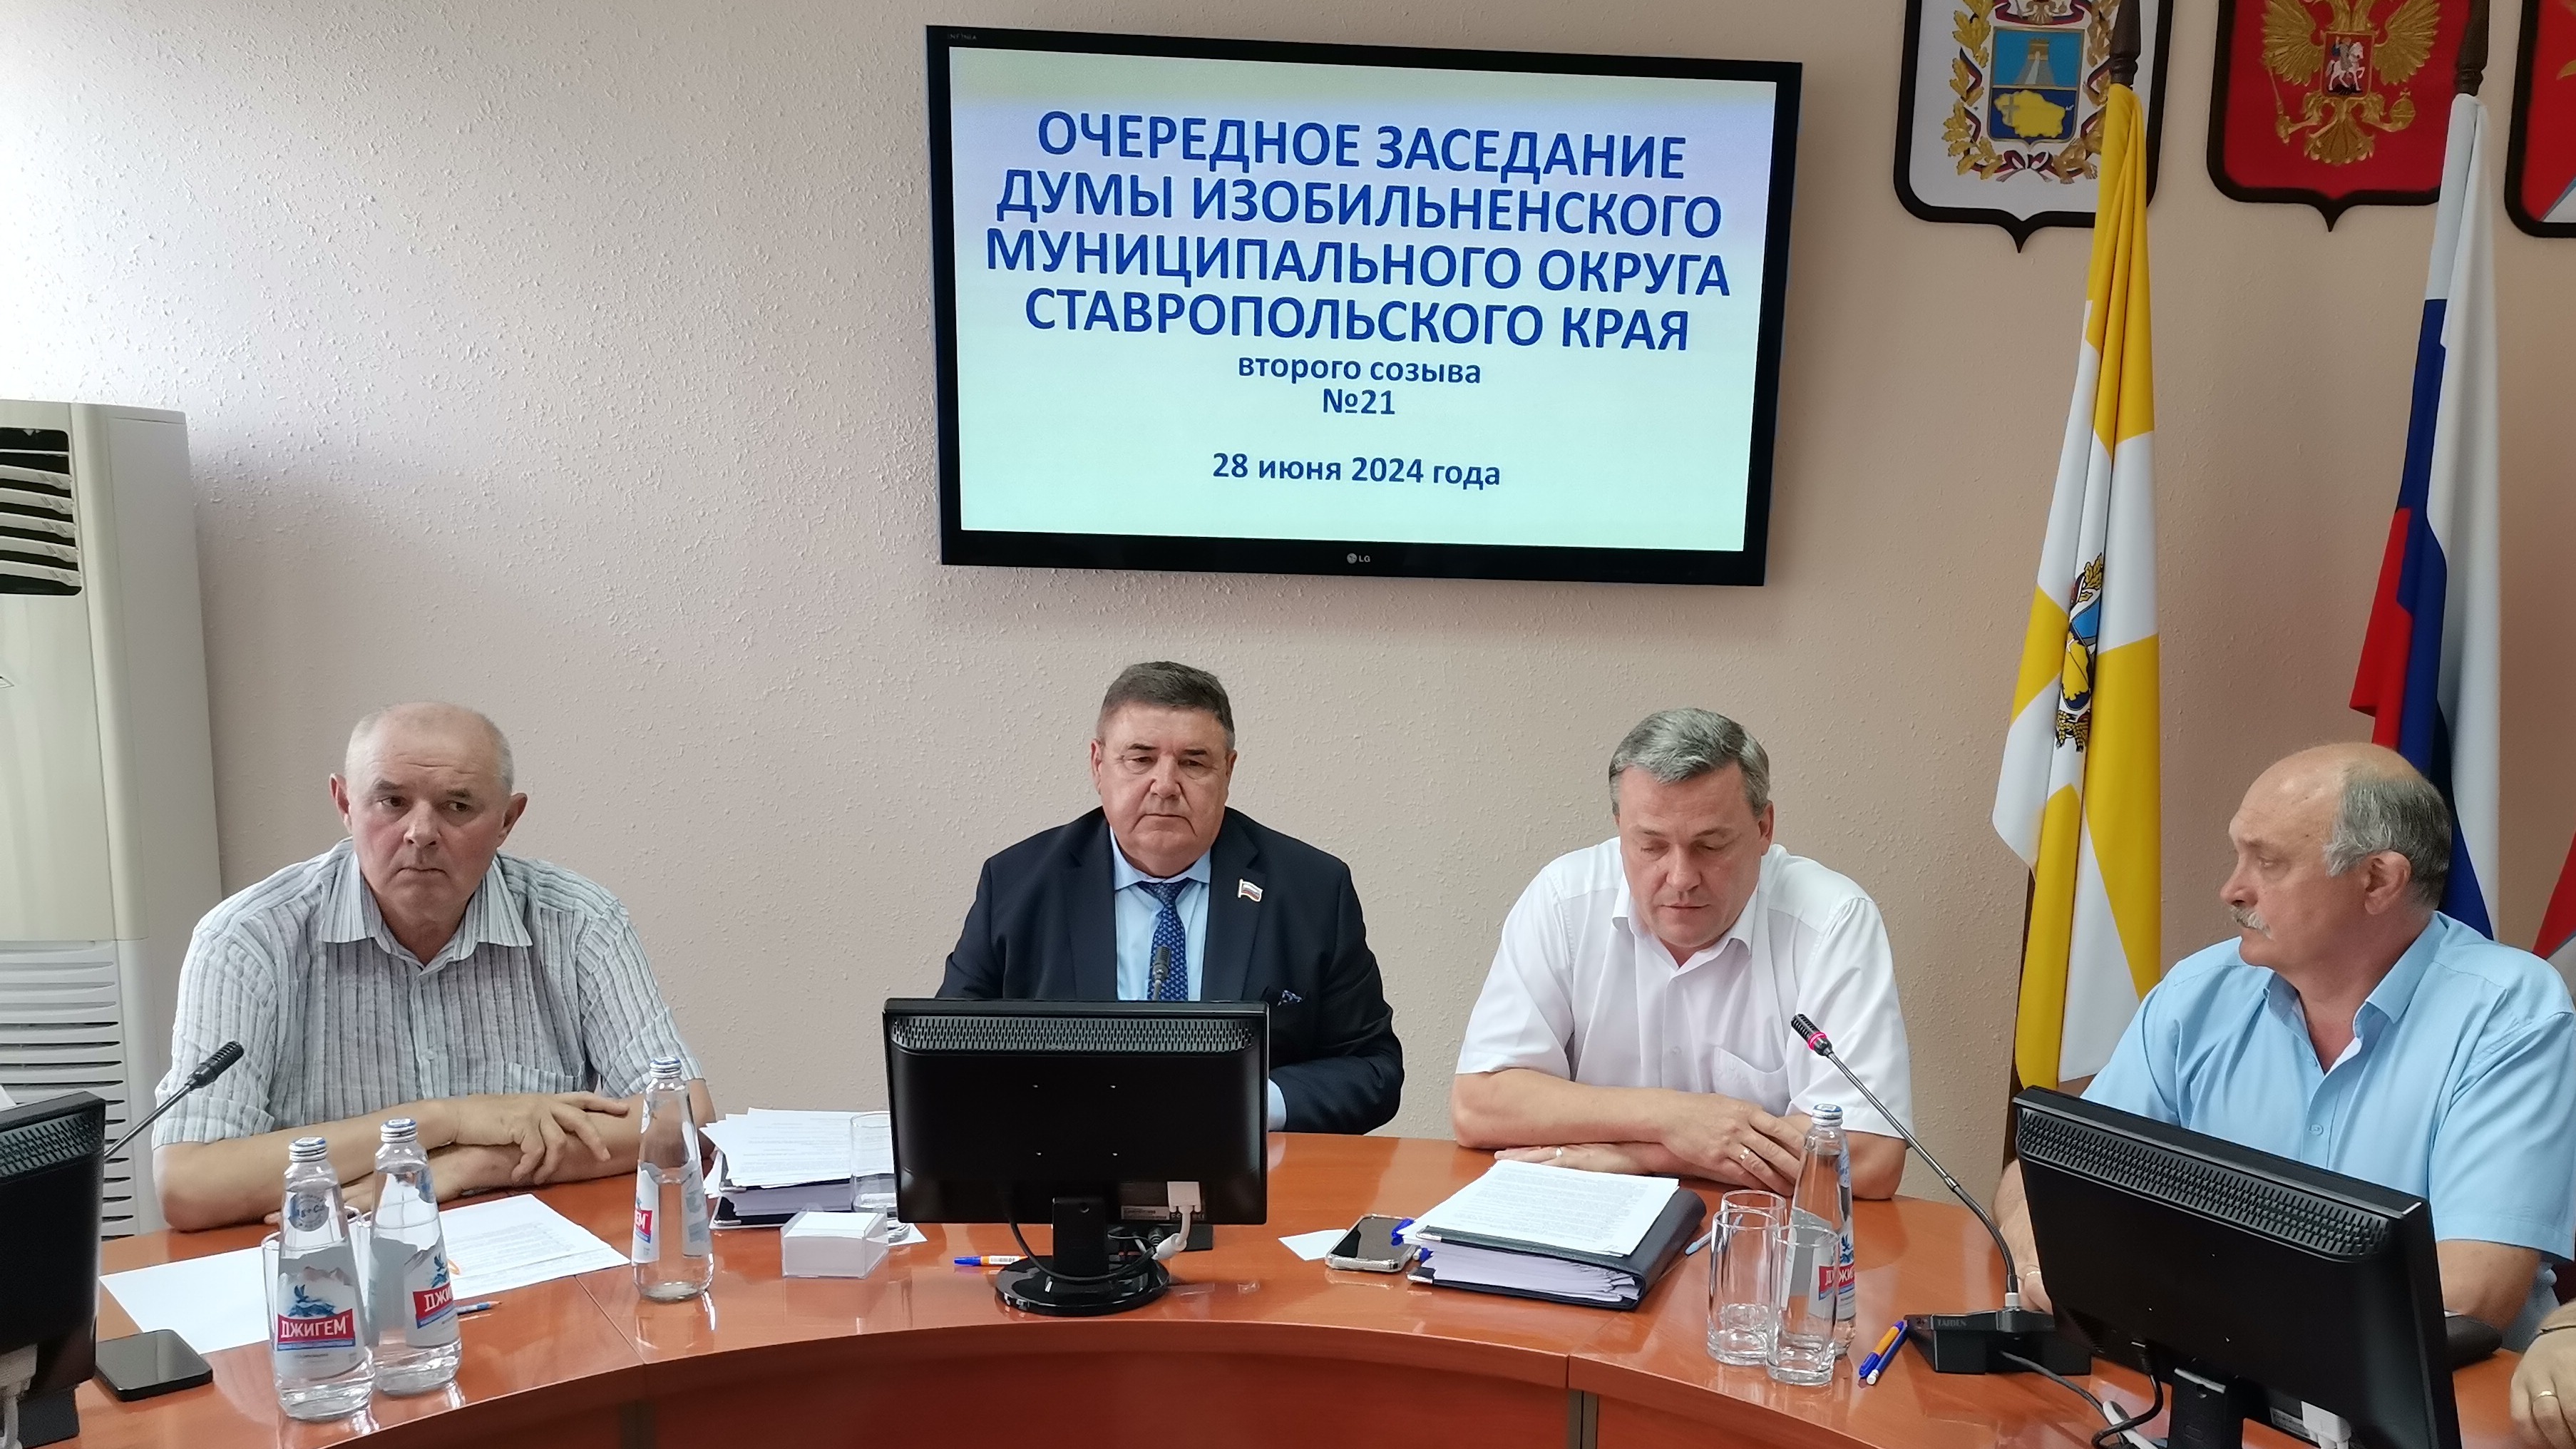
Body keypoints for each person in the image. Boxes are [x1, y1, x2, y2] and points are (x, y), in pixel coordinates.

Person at [1996, 744, 2576, 1347]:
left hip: (2439, 1388)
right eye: (2238, 856)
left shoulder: (2507, 1012)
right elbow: (2041, 1173)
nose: (2231, 890)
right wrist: (2040, 1245)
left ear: (2378, 880)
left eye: (2267, 863)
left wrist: (2207, 1313)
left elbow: (2471, 1294)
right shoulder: (2199, 994)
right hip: (2214, 1365)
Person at [152, 703, 712, 1231]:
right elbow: (187, 1184)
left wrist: (471, 1165)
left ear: (507, 819)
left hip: (530, 1252)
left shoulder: (578, 922)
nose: (420, 833)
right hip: (332, 1261)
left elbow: (686, 1119)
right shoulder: (249, 938)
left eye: (457, 806)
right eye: (391, 802)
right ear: (345, 804)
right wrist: (443, 1121)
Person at [1450, 708, 1914, 1198]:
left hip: (1756, 1224)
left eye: (1710, 845)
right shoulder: (1564, 900)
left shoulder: (1831, 920)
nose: (1681, 878)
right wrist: (1671, 1117)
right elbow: (1479, 1105)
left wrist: (1642, 1157)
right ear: (1620, 829)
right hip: (1587, 1212)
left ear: (1763, 828)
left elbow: (1870, 1154)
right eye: (1651, 846)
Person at [939, 661, 1402, 1134]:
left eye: (1193, 763)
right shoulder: (1016, 883)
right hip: (1065, 1157)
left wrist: (1252, 1103)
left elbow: (1373, 1068)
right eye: (1140, 759)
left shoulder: (1311, 888)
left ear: (1228, 771)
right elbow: (946, 1053)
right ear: (1098, 765)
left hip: (1245, 1164)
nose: (1165, 786)